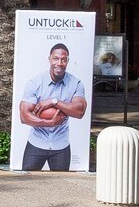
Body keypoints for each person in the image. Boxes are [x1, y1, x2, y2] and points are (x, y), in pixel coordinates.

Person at [16, 41, 89, 171]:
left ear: (68, 61)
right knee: (27, 183)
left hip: (61, 145)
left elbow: (80, 111)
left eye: (63, 60)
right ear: (49, 59)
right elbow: (24, 116)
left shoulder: (76, 84)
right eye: (55, 58)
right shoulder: (35, 83)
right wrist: (50, 123)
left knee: (60, 185)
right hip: (36, 142)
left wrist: (54, 101)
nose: (59, 63)